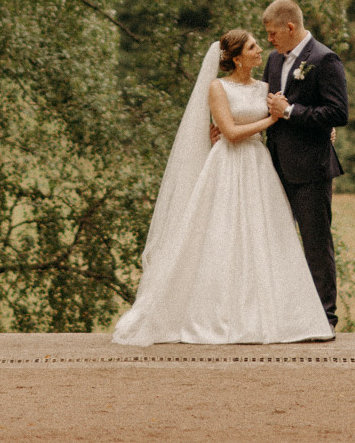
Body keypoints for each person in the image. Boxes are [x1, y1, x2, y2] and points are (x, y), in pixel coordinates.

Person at [111, 29, 335, 345]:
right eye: (253, 46)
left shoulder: (265, 88)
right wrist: (271, 120)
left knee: (264, 235)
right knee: (220, 234)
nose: (260, 50)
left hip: (258, 166)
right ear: (237, 57)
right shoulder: (217, 87)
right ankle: (217, 314)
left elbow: (295, 114)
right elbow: (229, 132)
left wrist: (324, 131)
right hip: (227, 164)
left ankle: (266, 315)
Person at [260, 0, 347, 329]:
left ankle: (324, 318)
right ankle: (284, 314)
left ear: (290, 27)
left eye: (273, 33)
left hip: (311, 168)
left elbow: (338, 112)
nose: (269, 39)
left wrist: (291, 112)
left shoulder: (324, 59)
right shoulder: (274, 60)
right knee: (277, 242)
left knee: (316, 245)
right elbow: (265, 105)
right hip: (275, 166)